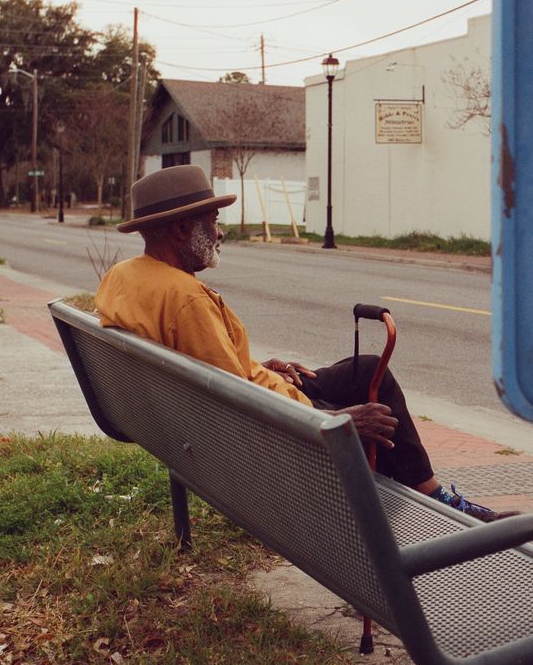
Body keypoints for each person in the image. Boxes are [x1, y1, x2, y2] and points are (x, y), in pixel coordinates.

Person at [95, 165, 511, 522]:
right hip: (262, 425)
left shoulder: (125, 276)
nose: (219, 232)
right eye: (213, 221)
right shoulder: (185, 298)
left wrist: (259, 367)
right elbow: (233, 404)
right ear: (182, 229)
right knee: (374, 410)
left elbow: (210, 367)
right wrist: (334, 421)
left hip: (207, 411)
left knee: (368, 370)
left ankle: (432, 496)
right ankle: (433, 508)